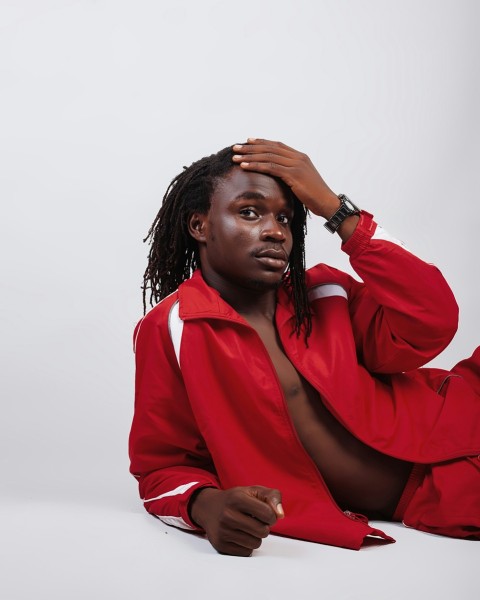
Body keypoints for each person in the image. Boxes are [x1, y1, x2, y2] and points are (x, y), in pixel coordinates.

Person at [129, 139, 480, 557]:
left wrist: (336, 210)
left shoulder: (326, 292)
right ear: (199, 226)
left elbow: (432, 319)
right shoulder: (172, 329)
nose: (276, 230)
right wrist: (205, 506)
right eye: (249, 211)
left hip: (461, 408)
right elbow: (160, 467)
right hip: (440, 493)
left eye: (286, 218)